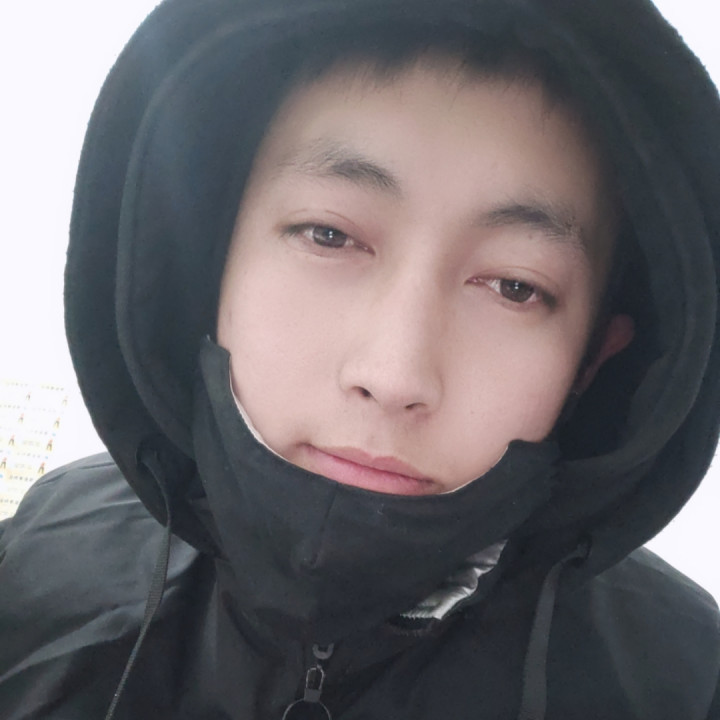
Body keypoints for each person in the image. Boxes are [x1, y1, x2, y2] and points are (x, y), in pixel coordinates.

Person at [1, 0, 719, 718]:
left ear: (592, 361)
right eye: (328, 235)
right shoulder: (40, 556)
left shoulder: (684, 683)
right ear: (210, 269)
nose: (393, 375)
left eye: (514, 286)